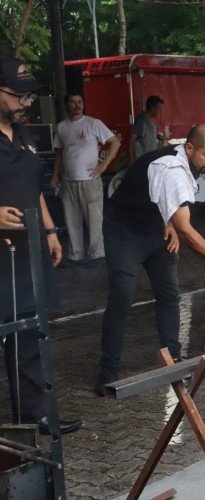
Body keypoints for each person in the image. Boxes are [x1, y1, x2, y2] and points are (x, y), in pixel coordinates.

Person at [96, 124, 205, 395]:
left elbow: (171, 206)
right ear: (188, 148)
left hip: (157, 228)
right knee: (122, 298)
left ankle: (172, 360)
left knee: (169, 293)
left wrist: (170, 223)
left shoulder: (189, 163)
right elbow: (187, 229)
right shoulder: (171, 168)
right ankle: (109, 368)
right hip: (125, 230)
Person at [0, 54, 82, 435]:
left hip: (27, 253)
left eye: (28, 97)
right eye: (18, 96)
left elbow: (35, 189)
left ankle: (34, 418)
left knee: (29, 336)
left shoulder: (23, 134)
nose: (25, 103)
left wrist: (51, 232)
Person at [51, 93, 121, 267]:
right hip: (69, 181)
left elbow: (115, 143)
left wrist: (103, 166)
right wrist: (55, 175)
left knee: (94, 220)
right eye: (73, 102)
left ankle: (96, 255)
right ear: (66, 105)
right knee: (71, 219)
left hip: (90, 180)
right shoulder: (61, 127)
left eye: (80, 102)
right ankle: (76, 256)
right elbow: (59, 153)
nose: (77, 105)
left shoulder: (93, 123)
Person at [128, 95, 164, 165]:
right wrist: (131, 158)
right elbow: (131, 139)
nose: (160, 111)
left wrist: (157, 135)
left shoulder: (148, 120)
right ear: (153, 108)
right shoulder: (141, 120)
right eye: (159, 109)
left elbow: (146, 133)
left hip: (149, 159)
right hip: (142, 160)